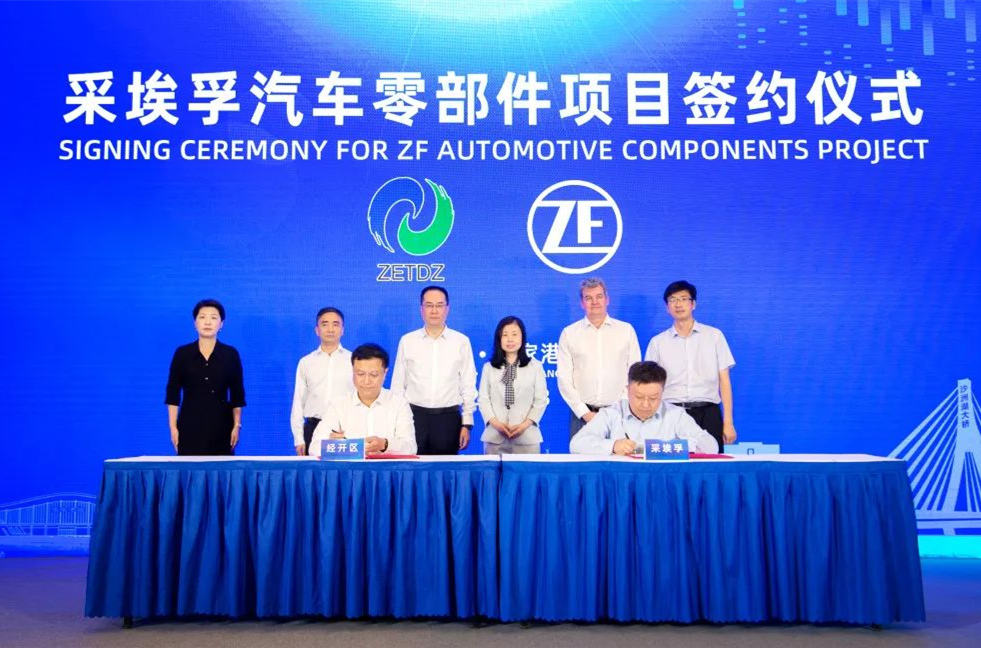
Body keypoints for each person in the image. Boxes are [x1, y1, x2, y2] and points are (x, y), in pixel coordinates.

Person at [644, 280, 736, 452]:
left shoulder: (714, 336)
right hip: (671, 414)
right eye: (672, 300)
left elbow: (724, 381)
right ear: (667, 307)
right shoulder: (657, 343)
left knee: (711, 464)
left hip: (708, 413)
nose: (678, 304)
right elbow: (650, 386)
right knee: (671, 465)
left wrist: (728, 422)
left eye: (683, 299)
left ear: (693, 304)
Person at [391, 286, 477, 455]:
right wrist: (396, 420)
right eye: (429, 305)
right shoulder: (408, 341)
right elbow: (398, 383)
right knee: (412, 468)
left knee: (445, 470)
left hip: (448, 419)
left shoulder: (461, 342)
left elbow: (468, 384)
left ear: (447, 309)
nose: (434, 310)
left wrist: (466, 423)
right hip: (413, 417)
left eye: (439, 305)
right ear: (421, 309)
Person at [570, 361, 718, 455]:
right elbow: (577, 444)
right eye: (639, 397)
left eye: (653, 398)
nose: (646, 404)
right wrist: (613, 445)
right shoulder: (612, 413)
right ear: (627, 390)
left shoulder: (675, 414)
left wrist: (672, 447)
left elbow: (711, 446)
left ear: (662, 392)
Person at [556, 277, 641, 439]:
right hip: (582, 417)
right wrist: (584, 413)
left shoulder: (626, 331)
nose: (594, 302)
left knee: (621, 456)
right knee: (582, 456)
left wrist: (619, 409)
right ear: (582, 303)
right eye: (588, 298)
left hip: (620, 416)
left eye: (599, 296)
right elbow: (564, 378)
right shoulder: (569, 333)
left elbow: (634, 374)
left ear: (607, 299)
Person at [165, 299, 245, 455]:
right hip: (189, 425)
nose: (207, 322)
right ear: (195, 323)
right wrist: (173, 427)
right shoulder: (182, 354)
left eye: (213, 317)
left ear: (221, 324)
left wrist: (236, 425)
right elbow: (173, 394)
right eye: (202, 317)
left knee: (221, 469)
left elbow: (237, 395)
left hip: (222, 426)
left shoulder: (230, 355)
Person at [309, 343, 416, 457]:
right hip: (350, 468)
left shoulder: (399, 404)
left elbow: (410, 447)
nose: (366, 381)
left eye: (374, 375)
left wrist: (384, 444)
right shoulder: (339, 405)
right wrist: (347, 446)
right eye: (360, 374)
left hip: (388, 468)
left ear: (385, 373)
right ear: (353, 372)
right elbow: (314, 448)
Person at [478, 316, 549, 454]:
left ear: (522, 337)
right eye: (505, 335)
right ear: (499, 339)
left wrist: (524, 425)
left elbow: (541, 400)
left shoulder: (535, 367)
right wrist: (496, 424)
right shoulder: (489, 367)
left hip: (527, 437)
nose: (510, 339)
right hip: (494, 438)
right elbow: (483, 400)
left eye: (514, 334)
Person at [290, 307, 354, 455]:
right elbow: (298, 401)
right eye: (325, 324)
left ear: (342, 330)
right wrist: (298, 438)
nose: (330, 329)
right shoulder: (306, 362)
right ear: (317, 330)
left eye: (335, 324)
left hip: (344, 429)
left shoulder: (353, 361)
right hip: (313, 428)